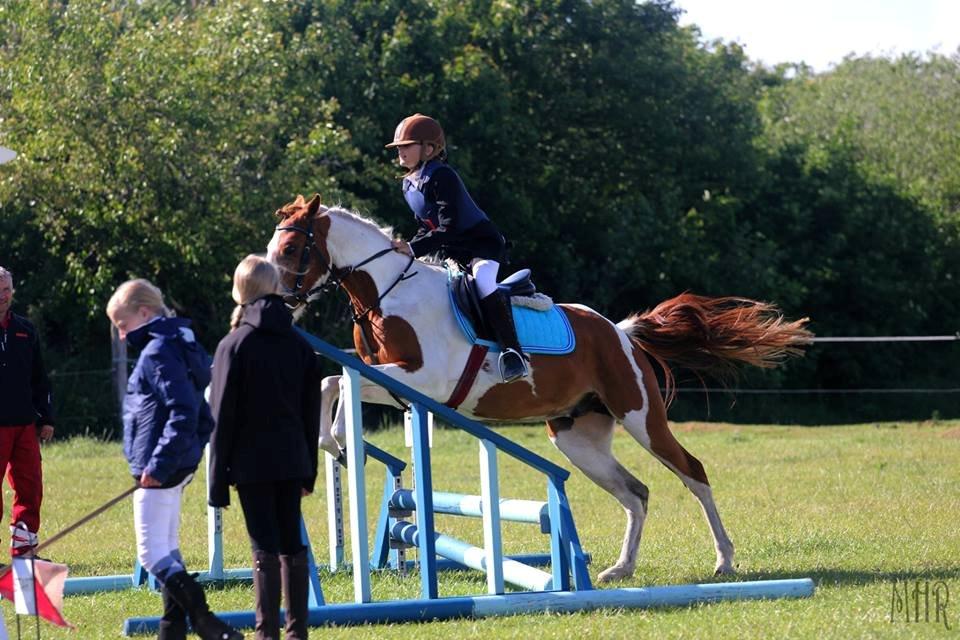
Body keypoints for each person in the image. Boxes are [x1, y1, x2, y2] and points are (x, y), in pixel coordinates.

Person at [106, 279, 241, 640]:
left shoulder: (157, 353)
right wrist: (190, 454)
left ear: (144, 313)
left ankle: (203, 617)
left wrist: (158, 467)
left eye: (122, 325)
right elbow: (201, 415)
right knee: (168, 548)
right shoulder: (183, 344)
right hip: (174, 463)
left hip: (159, 467)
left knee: (151, 555)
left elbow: (183, 412)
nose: (121, 336)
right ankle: (172, 629)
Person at [208, 255, 321, 640]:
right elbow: (311, 415)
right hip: (292, 461)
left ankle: (266, 634)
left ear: (241, 290)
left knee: (265, 547)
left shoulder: (234, 344)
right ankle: (296, 633)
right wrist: (310, 471)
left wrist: (216, 483)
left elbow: (220, 419)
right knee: (292, 543)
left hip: (250, 465)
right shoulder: (300, 346)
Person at [386, 113, 528, 382]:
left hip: (481, 246)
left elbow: (447, 227)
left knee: (484, 281)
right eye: (398, 148)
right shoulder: (408, 184)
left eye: (406, 146)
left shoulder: (443, 176)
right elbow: (426, 226)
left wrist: (414, 248)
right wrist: (410, 249)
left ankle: (513, 353)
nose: (400, 152)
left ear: (428, 148)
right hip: (451, 251)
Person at [0, 266, 55, 560]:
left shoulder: (25, 329)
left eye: (7, 289)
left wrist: (46, 417)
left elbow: (40, 377)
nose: (2, 296)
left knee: (30, 487)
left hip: (24, 424)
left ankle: (23, 550)